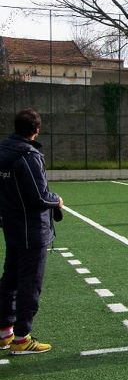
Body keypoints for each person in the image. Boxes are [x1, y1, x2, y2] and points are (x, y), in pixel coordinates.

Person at [0, 108, 63, 354]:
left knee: (11, 279)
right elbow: (39, 196)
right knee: (30, 283)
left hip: (12, 226)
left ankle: (5, 332)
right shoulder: (28, 155)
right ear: (36, 130)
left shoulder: (4, 151)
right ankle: (22, 337)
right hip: (32, 228)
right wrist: (56, 200)